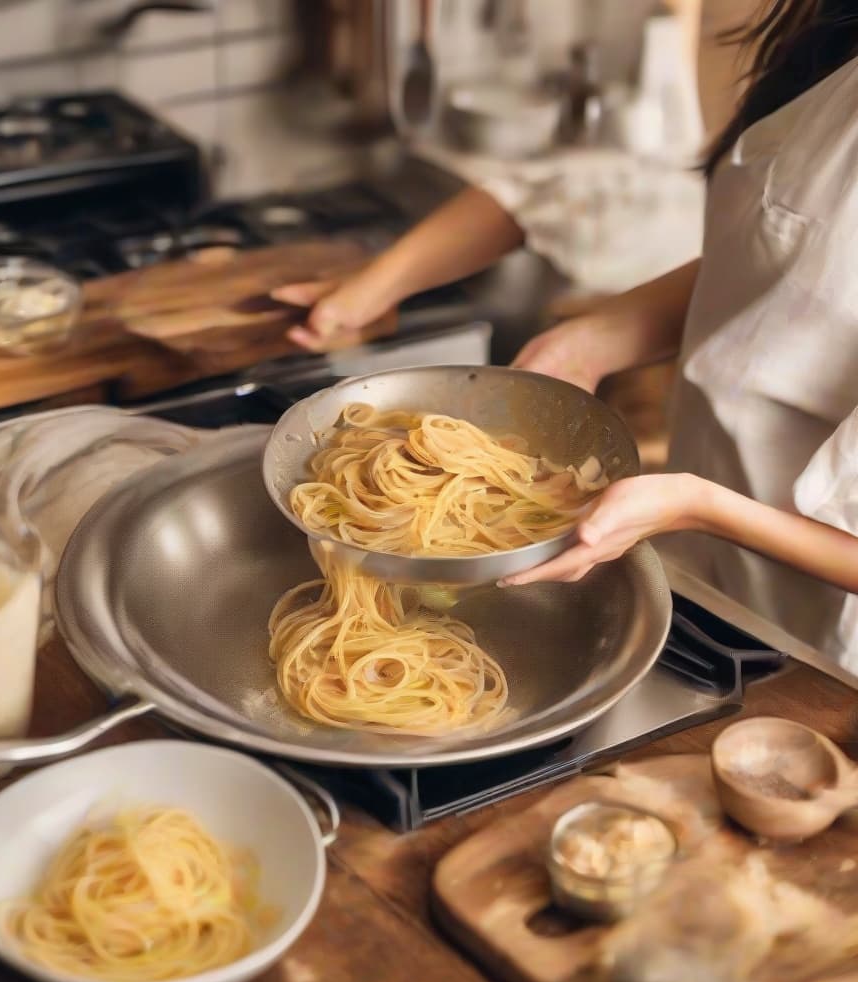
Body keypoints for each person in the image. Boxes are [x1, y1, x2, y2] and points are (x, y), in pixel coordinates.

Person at [273, 0, 858, 674]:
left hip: (817, 654)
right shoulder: (832, 30)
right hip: (705, 573)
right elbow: (778, 268)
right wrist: (596, 339)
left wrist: (698, 505)